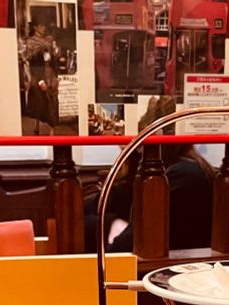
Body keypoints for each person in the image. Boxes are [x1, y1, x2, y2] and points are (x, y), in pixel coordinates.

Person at [84, 144, 215, 253]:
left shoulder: (184, 175)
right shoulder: (137, 167)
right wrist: (112, 223)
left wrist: (112, 230)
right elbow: (84, 215)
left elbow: (128, 247)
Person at [23, 19, 60, 135]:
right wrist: (40, 80)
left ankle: (52, 130)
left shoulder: (49, 40)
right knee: (40, 102)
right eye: (41, 25)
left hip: (50, 74)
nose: (43, 28)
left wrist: (56, 74)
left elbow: (54, 59)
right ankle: (37, 124)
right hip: (39, 73)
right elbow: (32, 63)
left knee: (52, 102)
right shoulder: (31, 42)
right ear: (35, 27)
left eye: (44, 26)